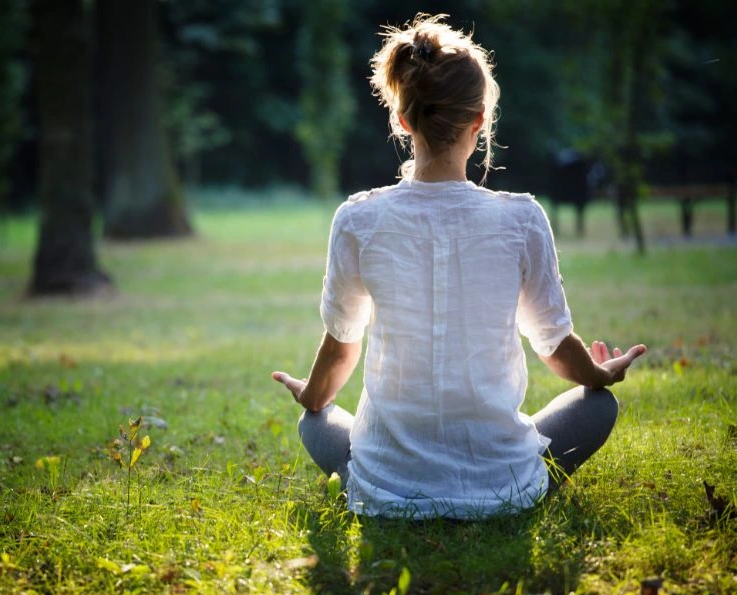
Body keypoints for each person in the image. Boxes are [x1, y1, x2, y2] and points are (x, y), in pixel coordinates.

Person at [271, 14, 646, 520]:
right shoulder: (522, 218)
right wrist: (598, 373)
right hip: (503, 486)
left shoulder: (358, 218)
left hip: (388, 488)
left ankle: (387, 477)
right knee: (599, 405)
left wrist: (310, 395)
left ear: (404, 121)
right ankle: (501, 477)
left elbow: (341, 347)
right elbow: (555, 347)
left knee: (313, 422)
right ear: (479, 121)